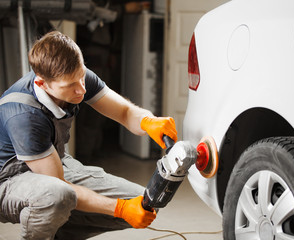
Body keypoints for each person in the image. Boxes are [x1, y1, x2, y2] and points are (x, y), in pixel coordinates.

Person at [0, 31, 177, 239]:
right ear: (42, 84)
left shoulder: (75, 77)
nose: (81, 89)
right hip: (8, 180)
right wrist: (119, 208)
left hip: (53, 163)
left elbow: (124, 112)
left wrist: (149, 121)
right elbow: (59, 185)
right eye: (70, 86)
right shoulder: (23, 114)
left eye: (82, 76)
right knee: (58, 196)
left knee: (144, 201)